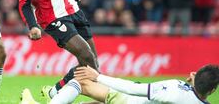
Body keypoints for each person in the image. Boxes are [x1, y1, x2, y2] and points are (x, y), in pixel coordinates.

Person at [73, 64, 219, 104]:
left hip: (127, 100)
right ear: (212, 91)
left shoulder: (174, 88)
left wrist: (98, 77)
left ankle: (51, 96)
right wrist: (196, 82)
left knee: (82, 82)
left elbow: (133, 89)